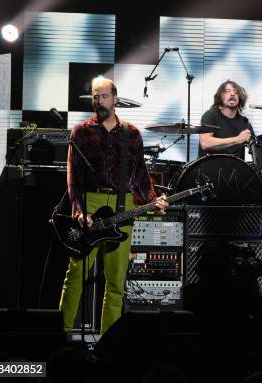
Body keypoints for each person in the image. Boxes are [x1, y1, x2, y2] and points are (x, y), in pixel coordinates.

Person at [59, 76, 168, 334]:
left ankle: (107, 344)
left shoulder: (131, 133)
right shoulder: (81, 132)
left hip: (123, 204)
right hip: (91, 201)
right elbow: (73, 177)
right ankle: (59, 334)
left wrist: (153, 201)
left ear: (115, 99)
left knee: (116, 282)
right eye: (95, 96)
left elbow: (140, 173)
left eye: (104, 96)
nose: (99, 100)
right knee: (76, 274)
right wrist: (78, 210)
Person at [199, 80, 254, 159]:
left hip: (236, 168)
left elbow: (256, 148)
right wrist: (237, 139)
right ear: (220, 96)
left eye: (236, 92)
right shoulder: (210, 115)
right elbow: (205, 143)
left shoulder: (244, 122)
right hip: (210, 167)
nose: (232, 94)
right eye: (228, 91)